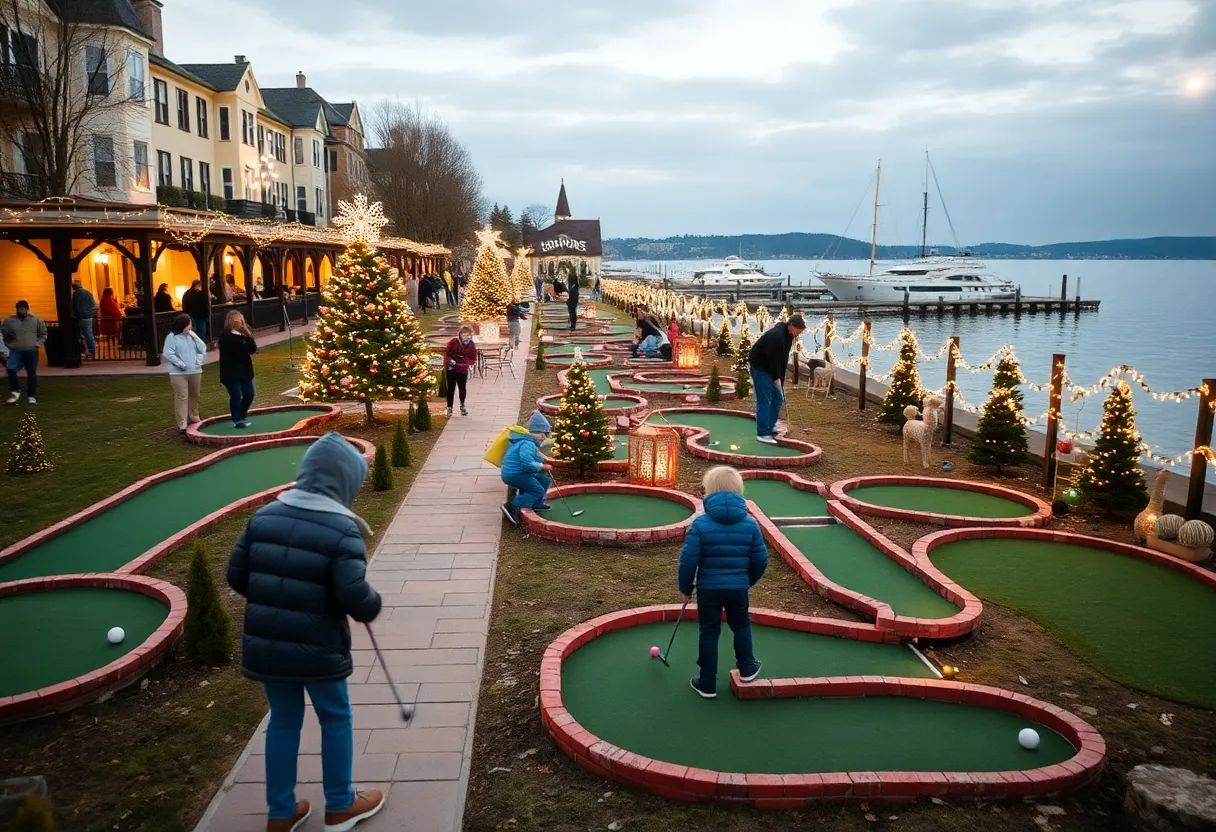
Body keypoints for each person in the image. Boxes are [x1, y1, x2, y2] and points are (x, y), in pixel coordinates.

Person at [226, 432, 386, 832]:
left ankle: (280, 814)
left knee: (283, 720)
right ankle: (340, 805)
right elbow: (353, 595)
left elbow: (237, 576)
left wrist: (275, 601)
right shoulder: (342, 529)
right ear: (342, 481)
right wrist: (372, 604)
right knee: (335, 716)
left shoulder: (264, 516)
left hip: (268, 647)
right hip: (319, 646)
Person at [677, 466, 767, 699]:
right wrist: (747, 581)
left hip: (709, 589)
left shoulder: (700, 524)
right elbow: (760, 560)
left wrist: (685, 589)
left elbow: (688, 561)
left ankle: (707, 683)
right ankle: (747, 667)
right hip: (737, 587)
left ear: (709, 491)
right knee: (741, 625)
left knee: (708, 632)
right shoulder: (750, 523)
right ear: (739, 490)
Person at [747, 314, 806, 444]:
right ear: (792, 326)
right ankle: (763, 433)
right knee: (765, 400)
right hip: (760, 367)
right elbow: (773, 359)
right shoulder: (777, 336)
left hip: (770, 368)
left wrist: (781, 377)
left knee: (778, 398)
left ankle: (770, 425)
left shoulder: (789, 335)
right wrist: (776, 377)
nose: (799, 333)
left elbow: (783, 358)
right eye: (799, 330)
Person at [500, 410, 553, 525]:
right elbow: (527, 463)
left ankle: (536, 504)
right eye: (543, 434)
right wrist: (542, 466)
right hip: (515, 474)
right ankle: (512, 506)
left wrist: (542, 462)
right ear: (534, 432)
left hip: (518, 472)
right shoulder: (528, 444)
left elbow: (534, 457)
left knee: (544, 480)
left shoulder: (528, 441)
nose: (544, 438)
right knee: (537, 490)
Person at [162, 313, 206, 433]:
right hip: (178, 373)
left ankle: (194, 416)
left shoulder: (192, 335)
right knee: (182, 396)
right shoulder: (172, 337)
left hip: (195, 371)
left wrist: (198, 362)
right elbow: (168, 353)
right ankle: (182, 423)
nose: (190, 326)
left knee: (194, 394)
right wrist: (180, 364)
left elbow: (202, 349)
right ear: (183, 325)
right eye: (189, 324)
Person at [218, 310, 258, 429]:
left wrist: (246, 334)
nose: (240, 322)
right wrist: (241, 340)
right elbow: (237, 350)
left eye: (241, 320)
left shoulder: (244, 334)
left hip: (245, 371)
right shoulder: (226, 336)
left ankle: (242, 413)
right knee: (235, 395)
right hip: (231, 372)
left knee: (249, 394)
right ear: (231, 321)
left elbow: (252, 349)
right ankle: (237, 420)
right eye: (237, 320)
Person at [2, 301, 47, 405]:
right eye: (20, 309)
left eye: (24, 309)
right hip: (14, 350)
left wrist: (37, 344)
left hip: (31, 351)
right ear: (17, 309)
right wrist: (7, 344)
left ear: (28, 309)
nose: (23, 311)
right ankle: (15, 391)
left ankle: (31, 395)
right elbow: (3, 335)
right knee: (11, 369)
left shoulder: (36, 320)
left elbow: (43, 334)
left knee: (31, 373)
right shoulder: (9, 321)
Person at [443, 325, 477, 417]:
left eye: (468, 335)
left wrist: (465, 364)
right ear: (460, 335)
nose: (466, 337)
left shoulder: (471, 345)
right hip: (452, 369)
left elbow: (473, 358)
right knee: (451, 389)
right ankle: (449, 407)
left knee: (462, 388)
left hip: (462, 369)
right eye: (464, 335)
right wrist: (450, 361)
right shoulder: (454, 342)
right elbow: (447, 354)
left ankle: (462, 406)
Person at [70, 279, 98, 359]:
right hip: (88, 316)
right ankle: (91, 350)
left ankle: (89, 350)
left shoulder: (75, 295)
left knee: (83, 335)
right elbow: (94, 306)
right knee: (88, 334)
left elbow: (73, 306)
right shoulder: (88, 292)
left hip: (80, 317)